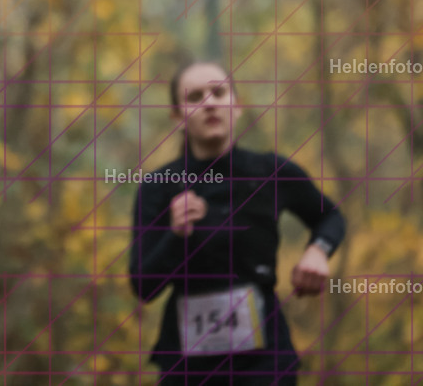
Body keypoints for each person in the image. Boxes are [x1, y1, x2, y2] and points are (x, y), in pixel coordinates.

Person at [128, 61, 345, 385]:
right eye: (195, 97)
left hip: (265, 364)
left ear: (237, 105)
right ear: (177, 117)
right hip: (187, 369)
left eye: (219, 93)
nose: (209, 103)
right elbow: (144, 286)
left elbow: (330, 216)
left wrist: (318, 251)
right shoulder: (159, 186)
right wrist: (176, 235)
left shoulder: (270, 172)